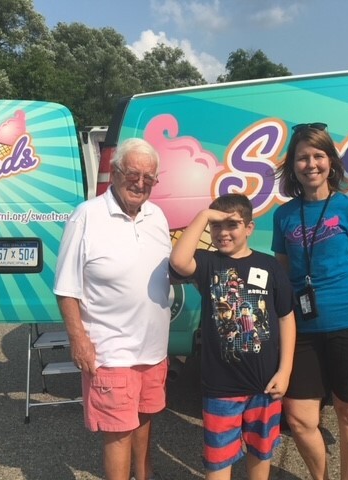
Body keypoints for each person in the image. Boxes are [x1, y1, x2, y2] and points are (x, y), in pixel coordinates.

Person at [272, 123, 348, 480]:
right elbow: (282, 278)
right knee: (298, 417)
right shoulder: (284, 215)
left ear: (331, 162)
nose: (311, 164)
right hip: (302, 330)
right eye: (302, 157)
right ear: (292, 165)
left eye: (318, 156)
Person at [53, 138, 170, 480]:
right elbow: (66, 288)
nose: (140, 183)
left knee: (144, 421)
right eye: (133, 174)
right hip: (110, 350)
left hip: (154, 350)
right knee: (118, 432)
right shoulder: (86, 216)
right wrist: (78, 340)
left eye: (149, 178)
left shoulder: (157, 216)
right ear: (116, 172)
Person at [169, 193, 296, 480]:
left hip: (265, 384)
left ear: (249, 228)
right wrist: (203, 216)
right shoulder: (207, 263)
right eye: (216, 226)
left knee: (261, 453)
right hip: (220, 387)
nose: (223, 232)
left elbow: (286, 318)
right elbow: (178, 261)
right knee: (218, 461)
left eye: (232, 225)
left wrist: (285, 370)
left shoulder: (270, 266)